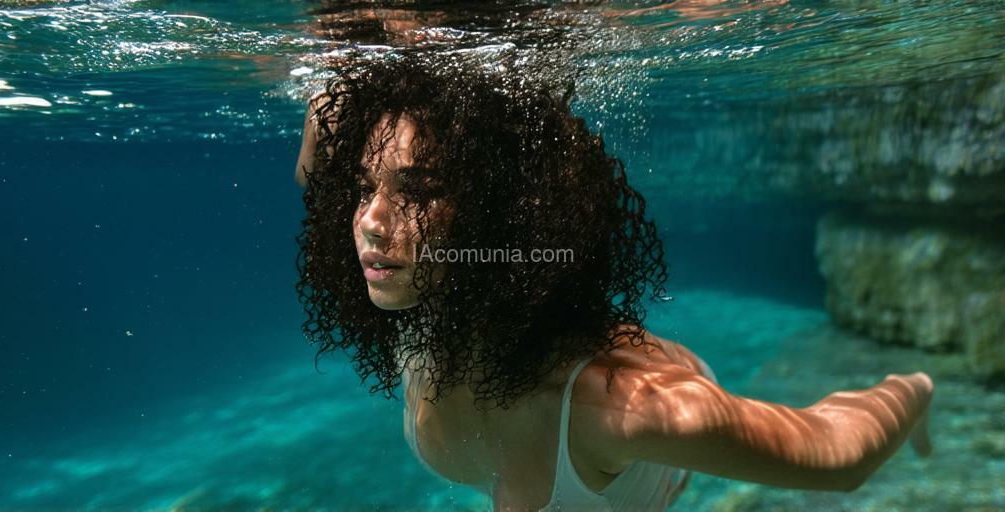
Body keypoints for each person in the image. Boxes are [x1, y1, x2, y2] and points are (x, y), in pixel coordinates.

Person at [293, 54, 933, 511]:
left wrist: (911, 390)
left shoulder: (625, 410)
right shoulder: (429, 297)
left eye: (418, 191)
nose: (370, 222)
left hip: (650, 393)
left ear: (500, 210)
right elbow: (315, 172)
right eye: (361, 188)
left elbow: (839, 455)